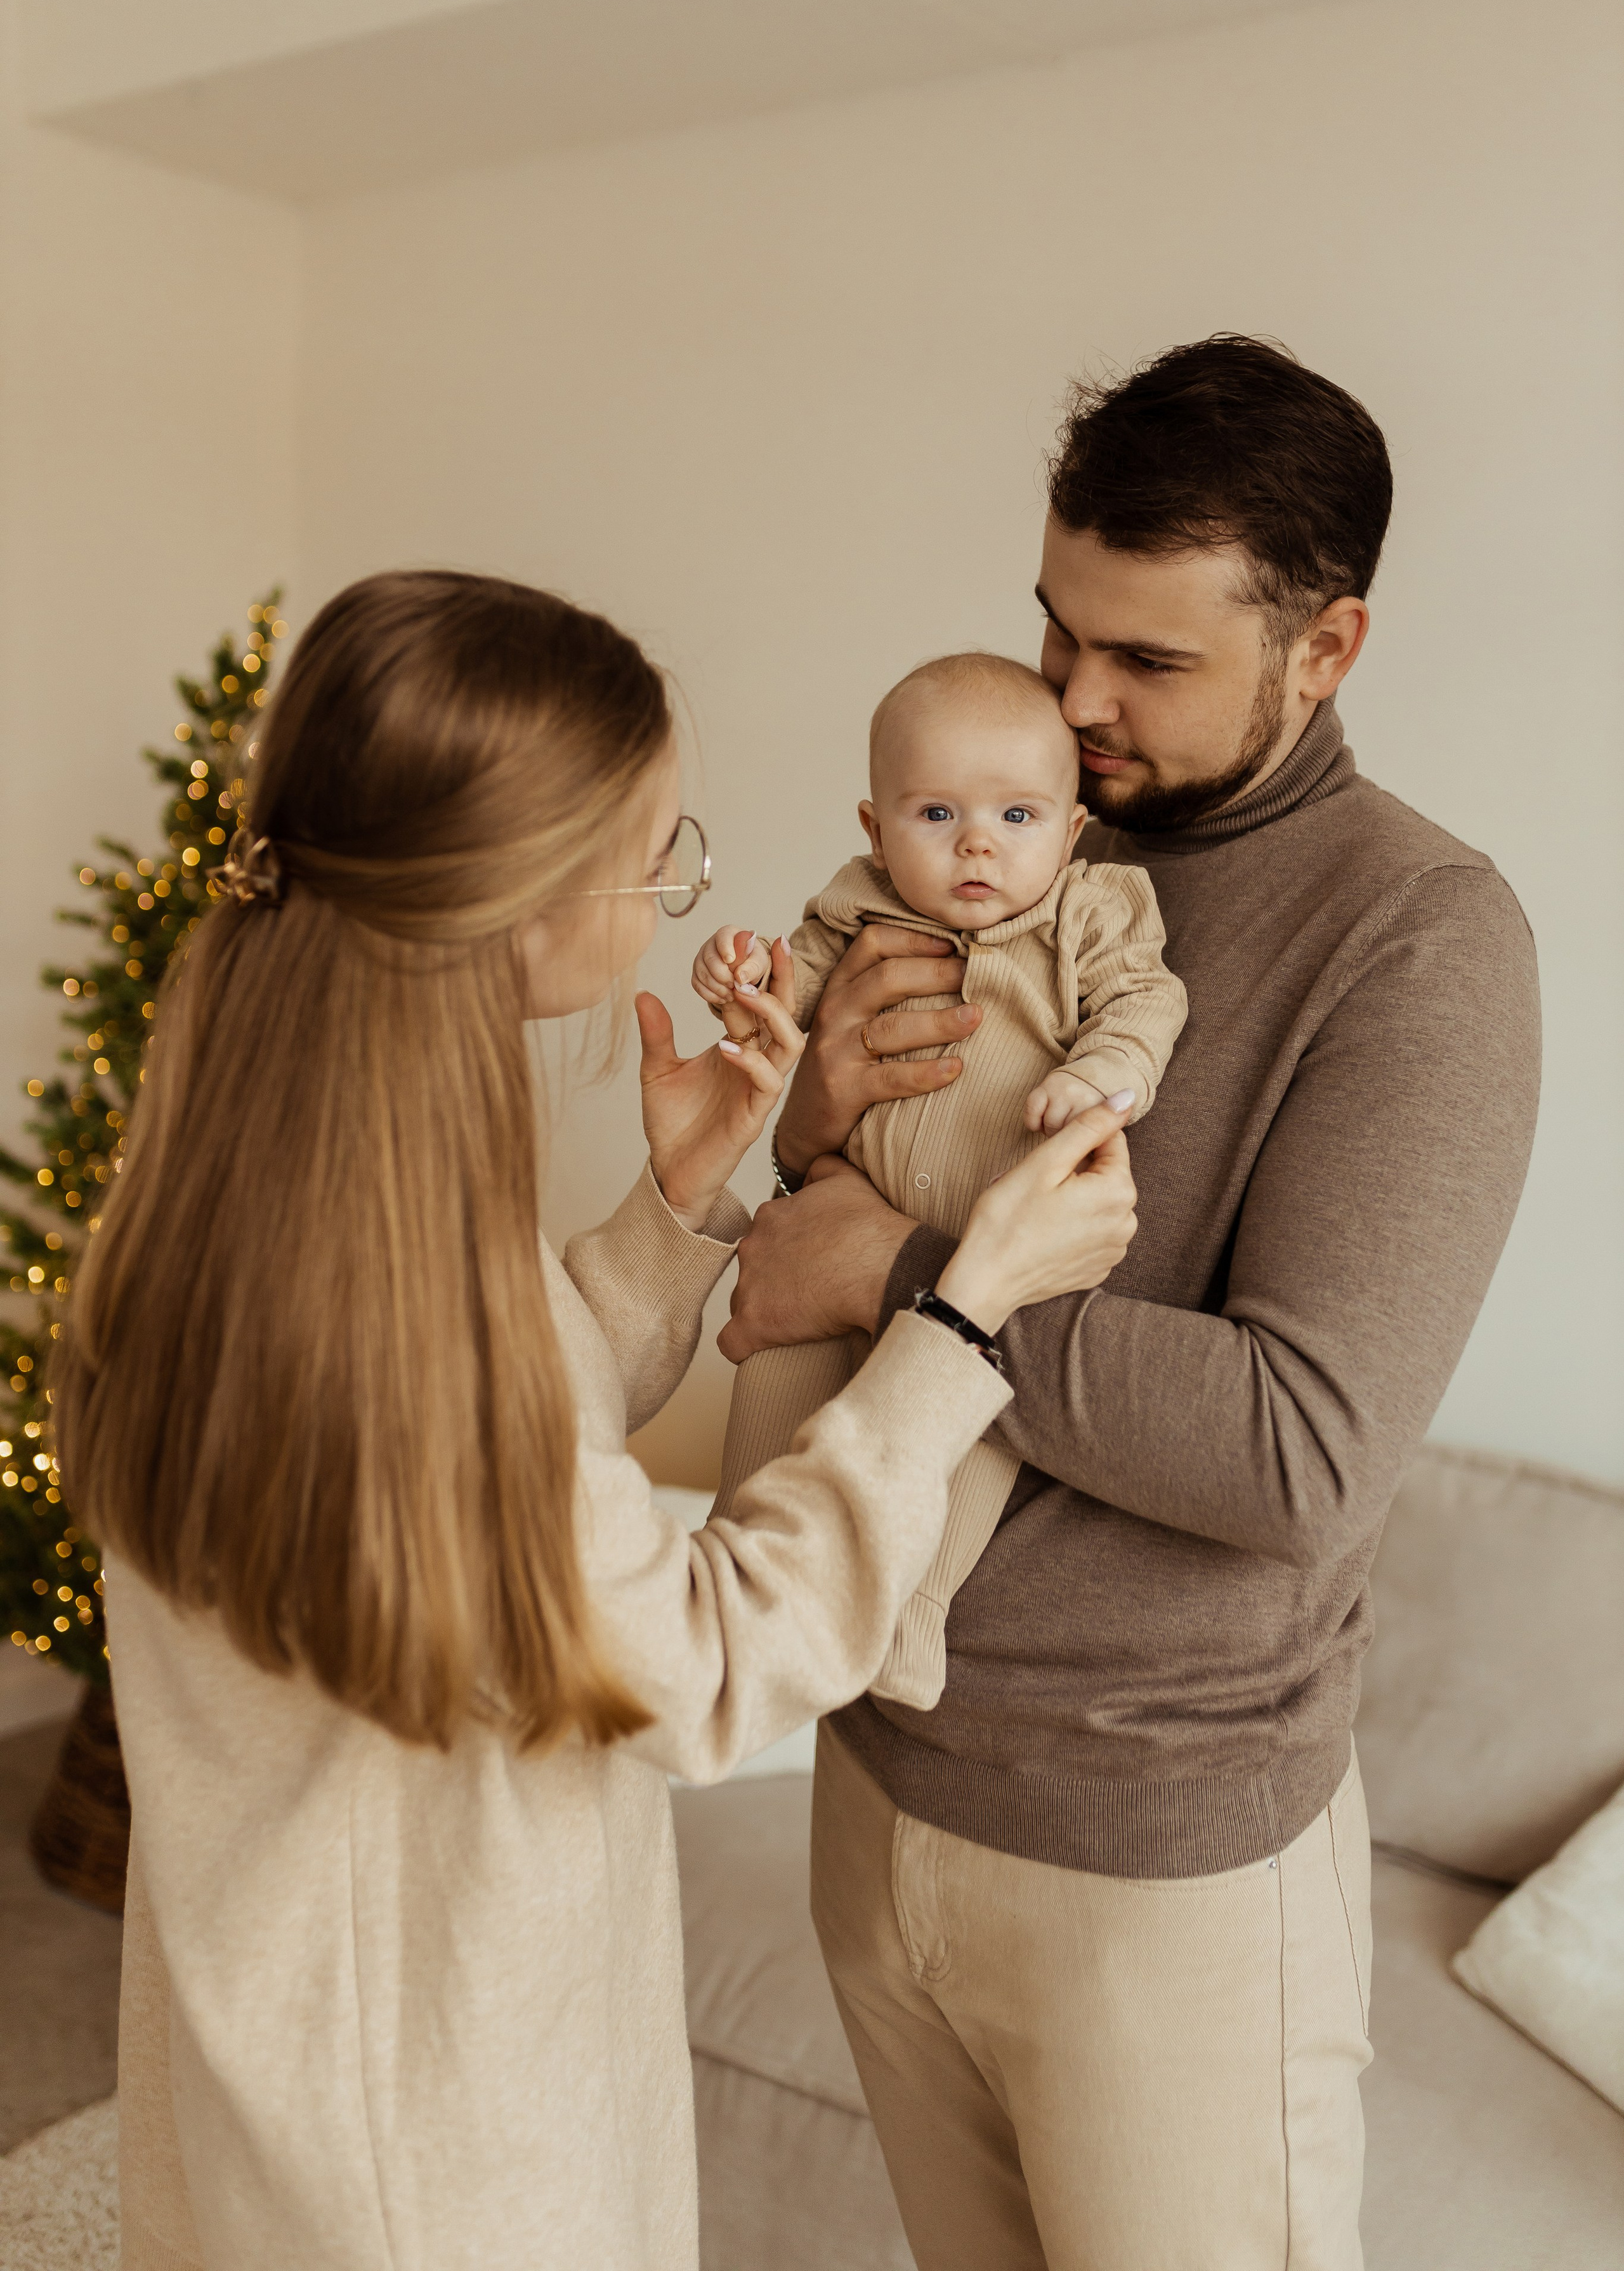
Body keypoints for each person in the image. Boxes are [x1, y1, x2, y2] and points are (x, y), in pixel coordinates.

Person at [52, 571, 1139, 2271]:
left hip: (292, 2065)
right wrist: (959, 1310)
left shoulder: (264, 1187)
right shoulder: (387, 1308)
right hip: (438, 2143)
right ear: (537, 896)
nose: (667, 887)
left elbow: (484, 1489)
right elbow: (699, 1665)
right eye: (657, 851)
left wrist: (681, 1199)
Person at [721, 338, 1542, 2270]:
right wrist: (814, 1128)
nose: (1072, 703)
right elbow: (813, 1249)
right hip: (878, 1760)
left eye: (1150, 661)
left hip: (1159, 1859)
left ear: (1327, 646)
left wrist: (902, 1270)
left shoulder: (1419, 937)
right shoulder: (985, 851)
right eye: (1057, 628)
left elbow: (1298, 1454)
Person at [696, 649, 1184, 1707]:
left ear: (1071, 828)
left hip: (981, 1269)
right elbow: (792, 990)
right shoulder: (857, 907)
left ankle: (908, 1624)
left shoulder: (1087, 915)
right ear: (875, 829)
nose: (977, 843)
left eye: (1018, 817)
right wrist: (746, 984)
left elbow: (1147, 1004)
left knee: (965, 1435)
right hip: (838, 1220)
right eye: (936, 815)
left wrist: (1106, 1076)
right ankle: (732, 1575)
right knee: (777, 1380)